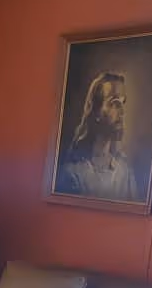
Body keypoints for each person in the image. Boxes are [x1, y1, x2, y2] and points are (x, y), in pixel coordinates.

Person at [57, 71, 141, 203]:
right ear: (96, 111)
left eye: (122, 103)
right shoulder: (74, 172)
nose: (122, 112)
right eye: (114, 103)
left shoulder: (124, 172)